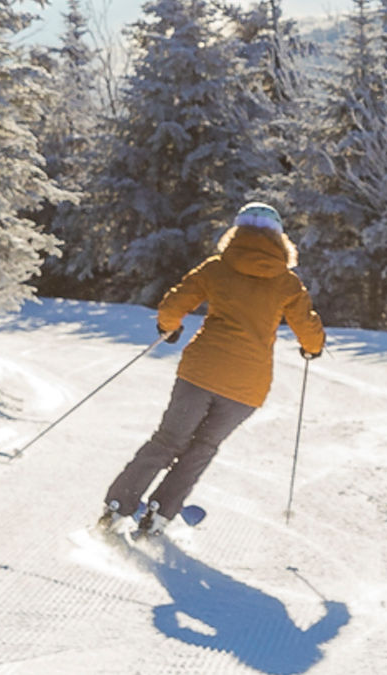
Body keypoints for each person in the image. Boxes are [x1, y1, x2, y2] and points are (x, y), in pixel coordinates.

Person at [98, 202, 325, 536]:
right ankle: (161, 513)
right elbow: (308, 328)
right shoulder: (287, 283)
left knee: (168, 440)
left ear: (236, 231)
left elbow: (175, 303)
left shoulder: (217, 267)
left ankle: (119, 506)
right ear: (280, 240)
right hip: (247, 387)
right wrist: (312, 347)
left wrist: (169, 327)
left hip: (200, 372)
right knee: (203, 447)